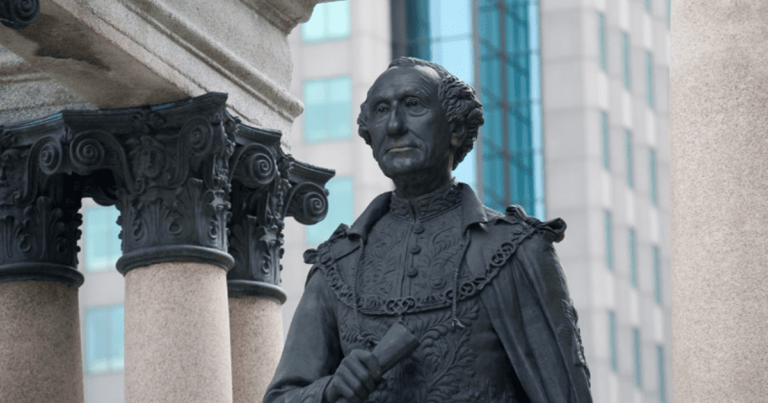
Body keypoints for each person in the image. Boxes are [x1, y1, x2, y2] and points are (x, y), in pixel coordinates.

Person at [264, 57, 592, 403]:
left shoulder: (516, 249)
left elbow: (566, 395)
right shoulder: (337, 265)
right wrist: (328, 391)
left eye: (413, 105)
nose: (394, 125)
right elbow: (281, 397)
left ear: (455, 129)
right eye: (380, 110)